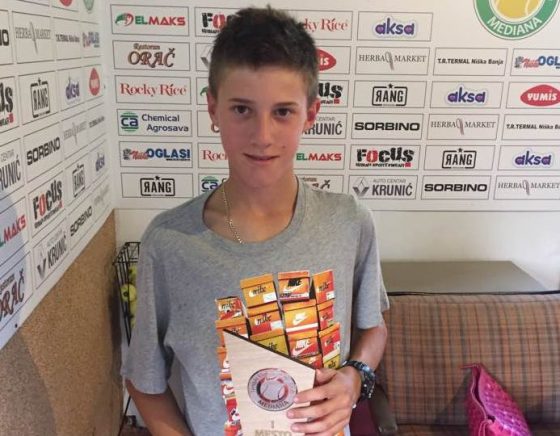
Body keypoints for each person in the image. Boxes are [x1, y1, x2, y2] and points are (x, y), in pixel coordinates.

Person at [122, 6, 389, 436]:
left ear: (311, 114)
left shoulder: (349, 222)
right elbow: (144, 380)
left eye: (282, 112)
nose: (262, 136)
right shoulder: (169, 243)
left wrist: (355, 377)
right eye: (242, 109)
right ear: (213, 109)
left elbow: (373, 327)